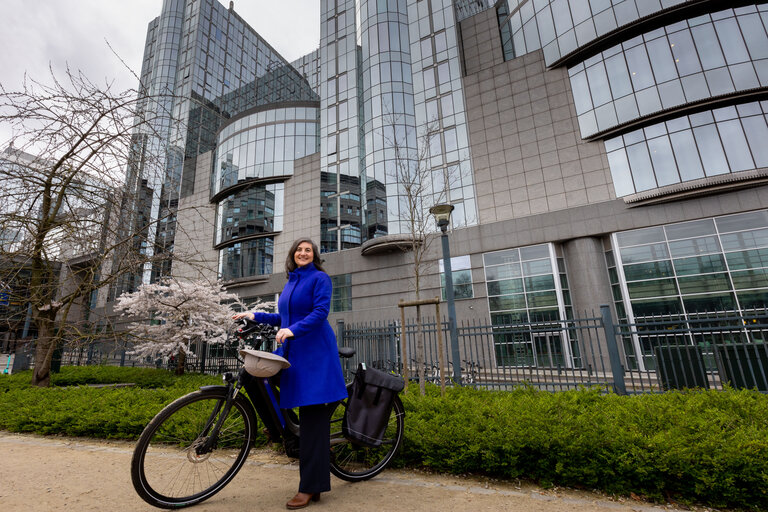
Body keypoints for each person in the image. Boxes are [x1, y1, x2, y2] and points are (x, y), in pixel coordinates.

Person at [233, 238, 348, 510]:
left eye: (308, 250)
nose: (303, 253)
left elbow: (320, 313)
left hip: (315, 357)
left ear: (314, 255)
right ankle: (284, 432)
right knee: (256, 379)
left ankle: (311, 487)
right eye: (299, 250)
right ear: (293, 255)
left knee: (313, 423)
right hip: (295, 356)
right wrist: (254, 315)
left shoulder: (320, 279)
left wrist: (293, 330)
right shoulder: (291, 283)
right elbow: (283, 319)